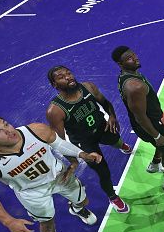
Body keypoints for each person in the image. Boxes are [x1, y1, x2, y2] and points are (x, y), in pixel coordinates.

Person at [0, 116, 102, 232]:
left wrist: (82, 155)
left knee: (83, 201)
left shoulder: (36, 131)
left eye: (6, 124)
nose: (8, 131)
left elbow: (59, 144)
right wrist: (8, 221)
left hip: (60, 176)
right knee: (47, 222)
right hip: (33, 193)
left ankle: (76, 209)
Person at [46, 66, 131, 213]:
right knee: (103, 172)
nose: (68, 77)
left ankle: (121, 145)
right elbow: (59, 142)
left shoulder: (88, 87)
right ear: (54, 84)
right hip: (84, 142)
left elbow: (105, 102)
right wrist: (73, 161)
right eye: (61, 77)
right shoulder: (55, 110)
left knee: (116, 141)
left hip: (102, 127)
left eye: (69, 73)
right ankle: (112, 196)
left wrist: (112, 116)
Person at [111, 46, 164, 191]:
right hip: (149, 123)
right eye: (129, 58)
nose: (135, 58)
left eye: (134, 55)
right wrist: (156, 135)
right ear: (120, 64)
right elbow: (140, 116)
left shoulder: (126, 75)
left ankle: (155, 164)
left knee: (161, 145)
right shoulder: (134, 86)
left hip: (148, 120)